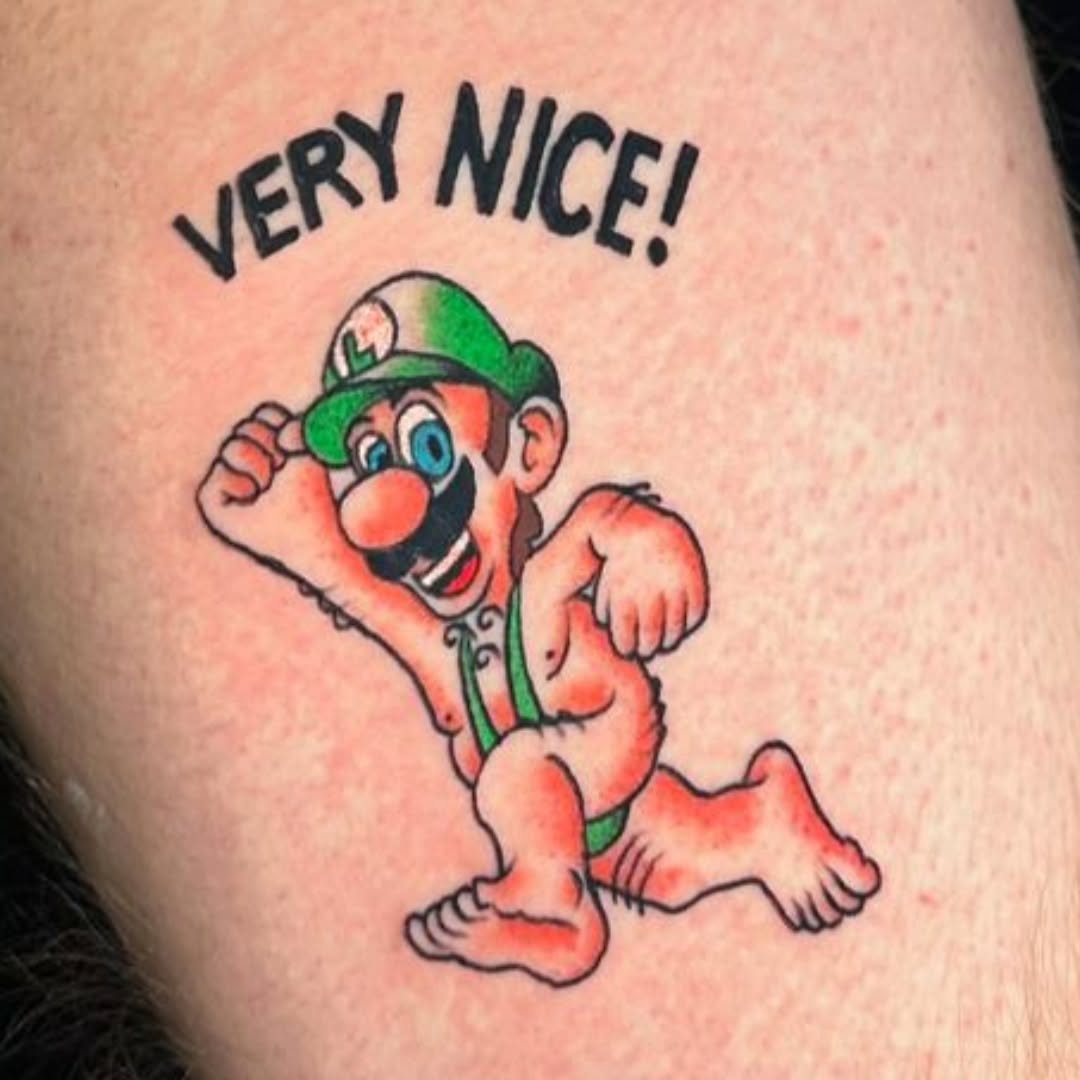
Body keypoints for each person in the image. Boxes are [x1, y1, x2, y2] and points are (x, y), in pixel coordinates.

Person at [1, 2, 1078, 1076]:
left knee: (520, 769)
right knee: (685, 856)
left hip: (587, 761)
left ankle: (549, 906)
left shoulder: (551, 577)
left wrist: (658, 555)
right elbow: (377, 608)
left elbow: (610, 526)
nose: (393, 498)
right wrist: (284, 528)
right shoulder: (452, 638)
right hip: (610, 817)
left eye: (428, 447)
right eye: (367, 459)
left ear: (528, 447)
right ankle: (765, 816)